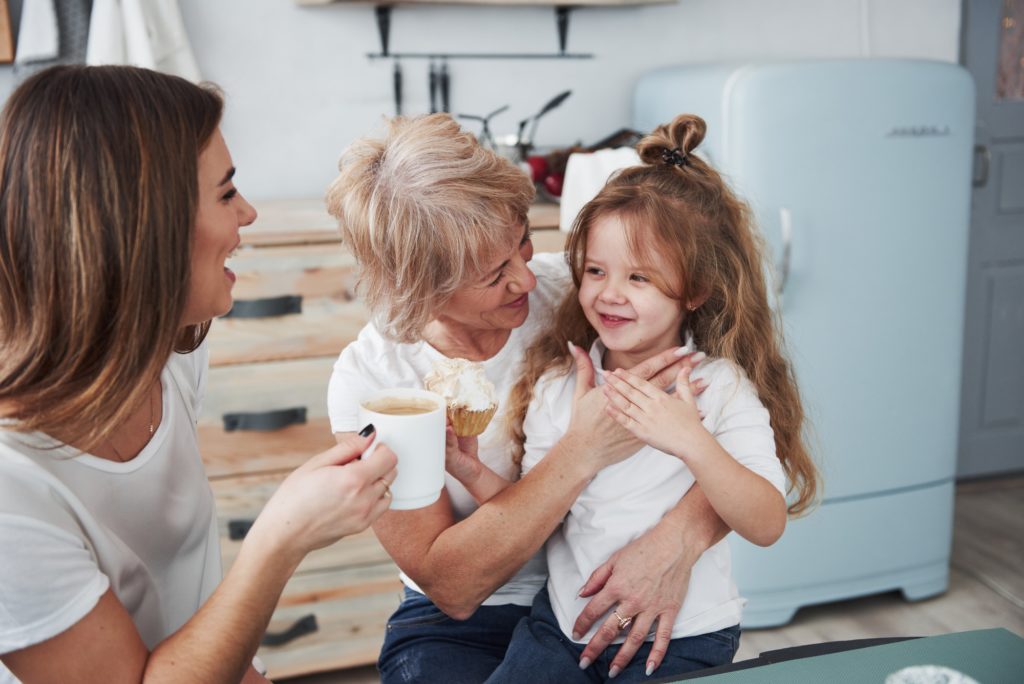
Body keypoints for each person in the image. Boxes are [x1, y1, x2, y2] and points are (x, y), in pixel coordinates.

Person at [0, 65, 398, 684]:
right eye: (224, 193)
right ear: (140, 224)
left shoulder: (169, 356)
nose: (249, 214)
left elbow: (189, 621)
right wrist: (280, 537)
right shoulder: (10, 488)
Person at [324, 113, 733, 683]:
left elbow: (739, 431)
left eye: (522, 243)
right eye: (494, 275)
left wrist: (678, 539)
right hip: (461, 623)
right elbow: (454, 585)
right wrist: (583, 450)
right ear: (419, 287)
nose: (526, 279)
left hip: (604, 585)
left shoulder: (583, 293)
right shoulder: (377, 382)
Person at [446, 114, 820, 682]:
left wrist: (690, 440)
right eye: (596, 270)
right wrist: (472, 473)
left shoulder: (718, 388)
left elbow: (766, 522)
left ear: (695, 289)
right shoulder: (561, 385)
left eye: (639, 278)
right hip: (563, 631)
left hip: (682, 638)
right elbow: (542, 519)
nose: (610, 294)